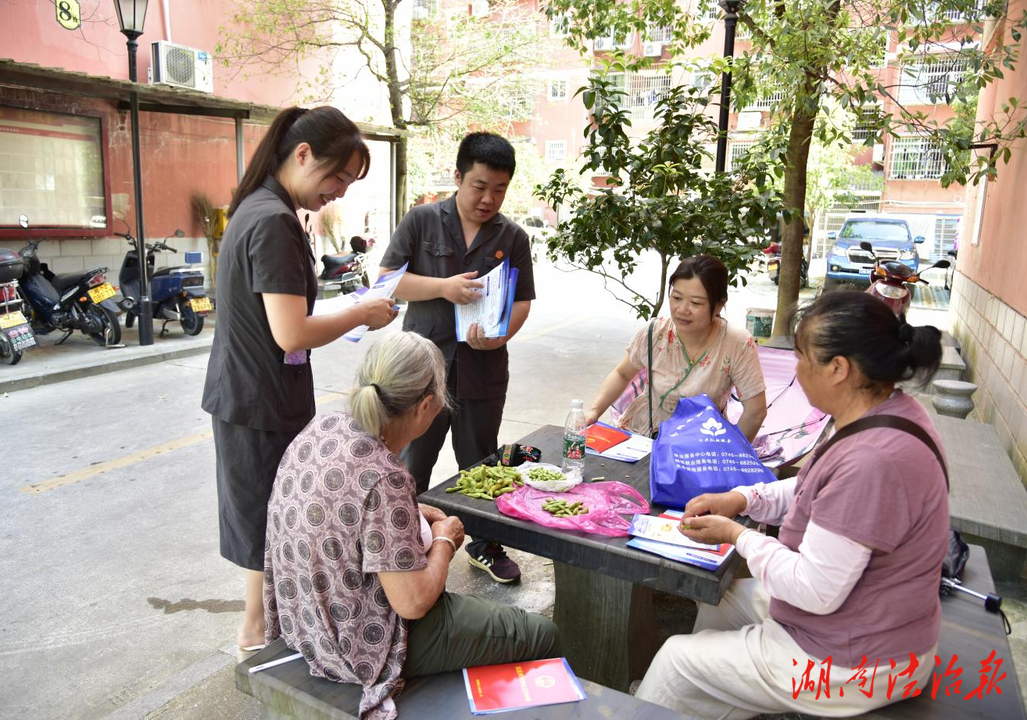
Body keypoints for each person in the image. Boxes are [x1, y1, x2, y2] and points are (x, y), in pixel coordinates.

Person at [635, 291, 949, 718]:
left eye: (803, 357)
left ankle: (675, 696)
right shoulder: (889, 411)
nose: (796, 370)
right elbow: (813, 486)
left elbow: (814, 590)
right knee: (722, 599)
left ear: (839, 369)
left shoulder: (871, 462)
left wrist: (738, 535)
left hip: (857, 662)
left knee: (676, 661)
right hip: (869, 626)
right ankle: (712, 700)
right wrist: (741, 497)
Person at [264, 332, 560, 719]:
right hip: (355, 643)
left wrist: (410, 511)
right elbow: (413, 602)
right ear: (426, 406)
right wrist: (445, 541)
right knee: (541, 634)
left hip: (302, 619)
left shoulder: (323, 427)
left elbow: (348, 509)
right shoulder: (385, 476)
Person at [202, 106, 399, 658]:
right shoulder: (272, 220)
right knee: (272, 517)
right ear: (303, 154)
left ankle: (264, 629)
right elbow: (291, 333)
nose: (338, 191)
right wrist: (362, 314)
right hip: (258, 398)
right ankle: (257, 634)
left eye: (349, 183)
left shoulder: (260, 207)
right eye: (337, 177)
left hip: (255, 393)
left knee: (268, 513)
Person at [377, 132, 535, 583]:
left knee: (482, 462)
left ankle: (485, 545)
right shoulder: (422, 220)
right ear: (458, 177)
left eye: (499, 189)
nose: (488, 198)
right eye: (479, 186)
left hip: (482, 370)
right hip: (420, 374)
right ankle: (404, 546)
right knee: (411, 462)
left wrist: (501, 335)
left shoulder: (513, 236)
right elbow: (387, 281)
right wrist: (442, 288)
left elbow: (521, 300)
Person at [584, 254, 768, 441]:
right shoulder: (654, 332)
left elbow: (756, 411)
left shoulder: (737, 343)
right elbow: (622, 374)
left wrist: (730, 454)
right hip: (642, 437)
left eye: (696, 303)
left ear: (719, 305)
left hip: (700, 446)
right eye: (677, 298)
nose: (682, 309)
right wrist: (593, 412)